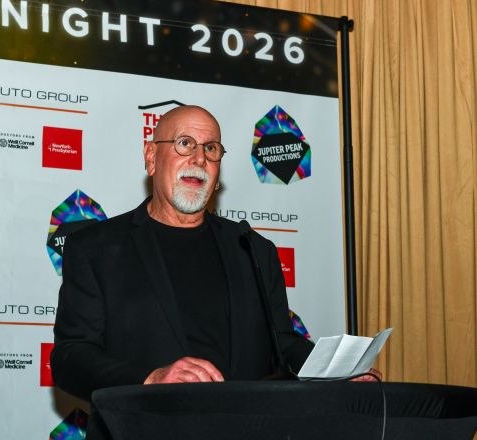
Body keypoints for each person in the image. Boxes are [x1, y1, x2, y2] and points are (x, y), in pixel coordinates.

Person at [51, 105, 372, 402]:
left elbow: (283, 343)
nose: (199, 159)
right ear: (151, 157)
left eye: (211, 149)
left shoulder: (253, 249)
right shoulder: (96, 248)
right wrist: (149, 379)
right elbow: (70, 357)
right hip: (142, 425)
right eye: (184, 144)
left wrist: (336, 373)